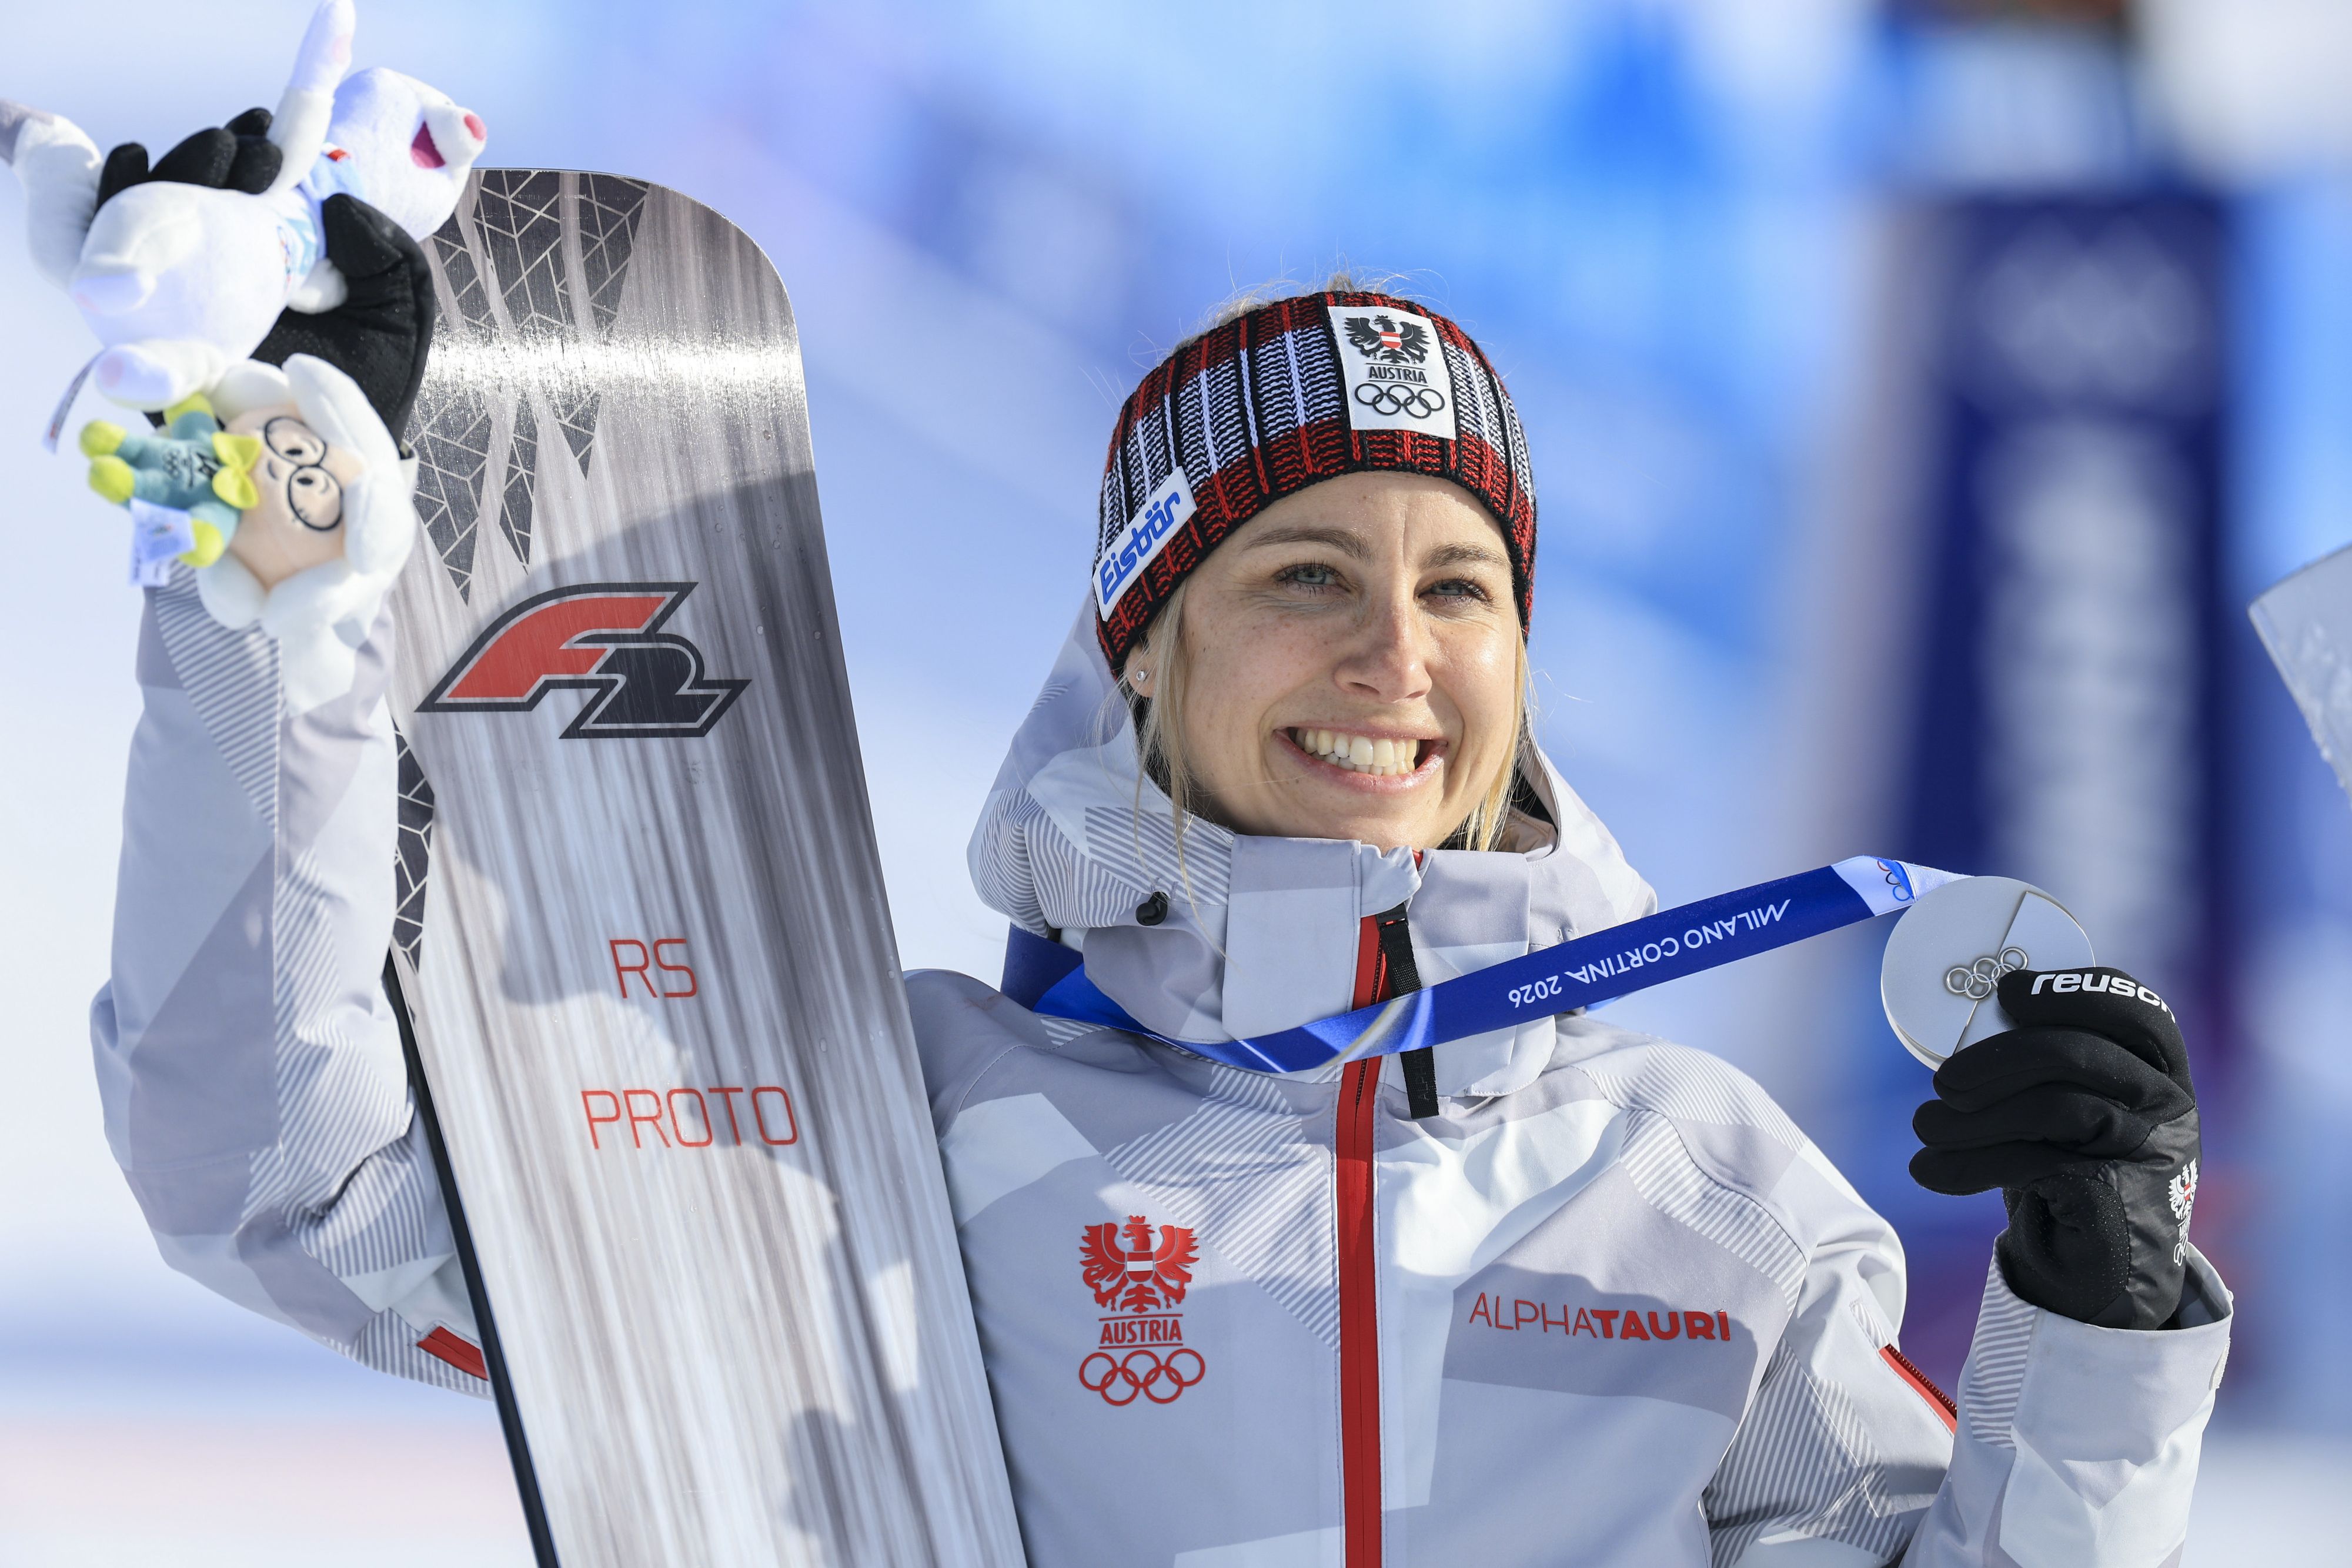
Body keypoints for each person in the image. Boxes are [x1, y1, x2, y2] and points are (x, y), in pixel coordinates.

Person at [87, 123, 2225, 1564]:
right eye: (1302, 573)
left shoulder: (1704, 1187)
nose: (1394, 651)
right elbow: (284, 1176)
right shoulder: (884, 1119)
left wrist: (2096, 1303)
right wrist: (273, 615)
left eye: (1460, 587)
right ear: (1144, 657)